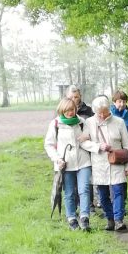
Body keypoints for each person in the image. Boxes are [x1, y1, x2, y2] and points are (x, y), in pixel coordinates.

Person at [44, 97, 93, 231]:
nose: (70, 112)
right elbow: (48, 145)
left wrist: (87, 137)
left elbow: (90, 137)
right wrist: (57, 159)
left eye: (72, 109)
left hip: (83, 161)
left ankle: (84, 218)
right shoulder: (55, 124)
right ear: (62, 110)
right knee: (69, 193)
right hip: (65, 164)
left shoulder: (82, 122)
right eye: (67, 110)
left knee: (84, 190)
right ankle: (71, 218)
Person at [86, 95, 128, 231]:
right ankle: (110, 219)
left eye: (104, 111)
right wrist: (97, 146)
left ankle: (119, 220)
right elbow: (83, 142)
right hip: (99, 164)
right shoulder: (89, 122)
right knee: (103, 194)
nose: (101, 115)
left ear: (109, 109)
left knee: (118, 191)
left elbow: (127, 145)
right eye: (99, 112)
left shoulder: (119, 122)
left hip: (117, 162)